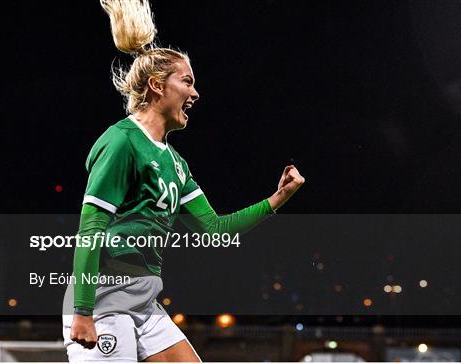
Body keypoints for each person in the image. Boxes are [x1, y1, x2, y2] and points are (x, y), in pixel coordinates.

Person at [61, 0, 305, 361]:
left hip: (144, 297)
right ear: (158, 86)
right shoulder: (122, 141)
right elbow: (91, 228)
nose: (195, 93)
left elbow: (215, 228)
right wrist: (83, 311)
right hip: (104, 296)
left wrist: (278, 198)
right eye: (187, 81)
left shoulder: (176, 164)